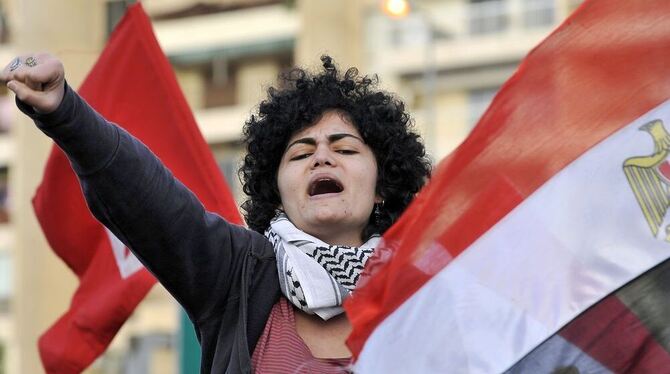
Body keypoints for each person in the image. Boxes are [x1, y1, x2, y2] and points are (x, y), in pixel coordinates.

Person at [1, 53, 431, 373]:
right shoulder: (238, 273)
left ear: (382, 188)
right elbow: (150, 200)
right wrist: (66, 114)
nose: (322, 158)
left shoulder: (424, 294)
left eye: (345, 149)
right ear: (277, 194)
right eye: (300, 153)